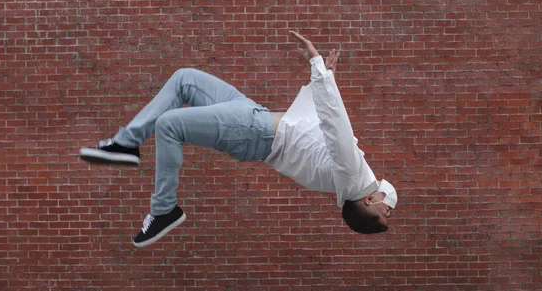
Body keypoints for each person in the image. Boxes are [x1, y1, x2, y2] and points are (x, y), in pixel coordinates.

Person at [79, 31, 398, 248]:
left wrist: (318, 66)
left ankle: (164, 209)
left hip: (253, 130)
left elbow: (335, 123)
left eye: (385, 214)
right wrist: (324, 79)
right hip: (253, 116)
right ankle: (126, 142)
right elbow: (320, 127)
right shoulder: (354, 179)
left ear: (369, 201)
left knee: (168, 126)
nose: (390, 210)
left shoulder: (353, 176)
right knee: (184, 79)